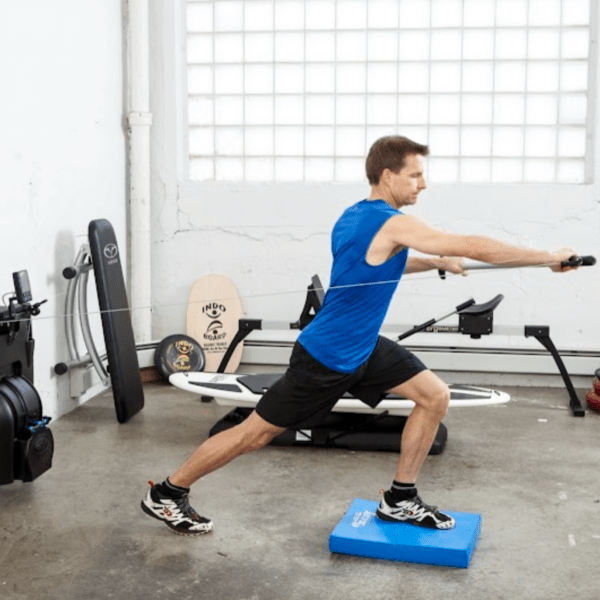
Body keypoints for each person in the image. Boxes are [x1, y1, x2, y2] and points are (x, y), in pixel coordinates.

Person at [141, 135, 577, 535]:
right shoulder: (390, 222)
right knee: (254, 434)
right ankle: (168, 492)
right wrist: (547, 257)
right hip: (327, 357)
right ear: (388, 176)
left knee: (434, 396)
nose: (422, 184)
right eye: (415, 175)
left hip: (362, 347)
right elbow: (469, 243)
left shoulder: (355, 217)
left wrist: (435, 263)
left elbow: (379, 265)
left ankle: (400, 498)